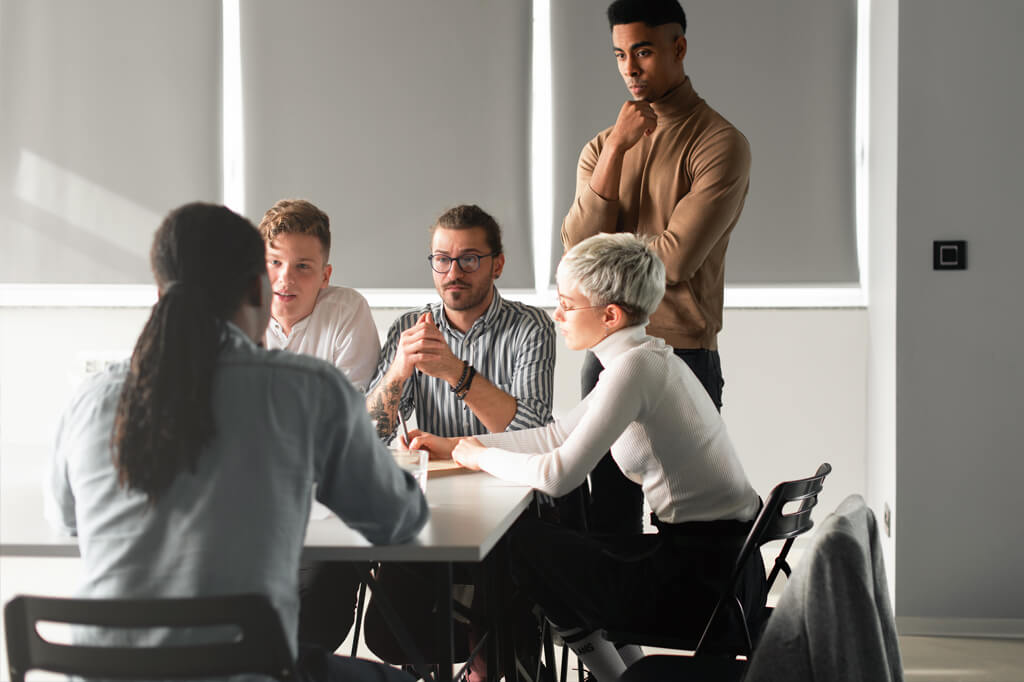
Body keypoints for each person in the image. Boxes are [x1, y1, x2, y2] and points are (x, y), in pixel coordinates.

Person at [45, 202, 427, 682]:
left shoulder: (92, 397)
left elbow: (65, 520)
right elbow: (399, 520)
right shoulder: (309, 390)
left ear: (160, 290)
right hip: (245, 667)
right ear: (259, 288)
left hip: (106, 670)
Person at [410, 234, 766, 682]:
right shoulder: (643, 359)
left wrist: (479, 457)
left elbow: (558, 476)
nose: (556, 315)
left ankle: (609, 677)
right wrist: (456, 445)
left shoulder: (636, 369)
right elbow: (558, 435)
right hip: (722, 564)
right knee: (542, 551)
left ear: (610, 315)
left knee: (525, 548)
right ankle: (618, 674)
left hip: (698, 580)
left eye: (566, 304)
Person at [561, 0, 752, 535]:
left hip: (684, 354)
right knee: (608, 519)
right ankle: (614, 623)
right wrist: (619, 147)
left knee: (686, 523)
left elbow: (675, 260)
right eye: (620, 54)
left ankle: (680, 622)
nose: (630, 68)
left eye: (643, 51)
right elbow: (576, 254)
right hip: (606, 354)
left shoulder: (720, 143)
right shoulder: (602, 146)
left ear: (679, 47)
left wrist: (608, 248)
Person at [260, 198, 380, 392]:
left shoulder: (347, 310)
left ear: (325, 276)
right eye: (275, 262)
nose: (286, 278)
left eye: (302, 266)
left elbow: (346, 410)